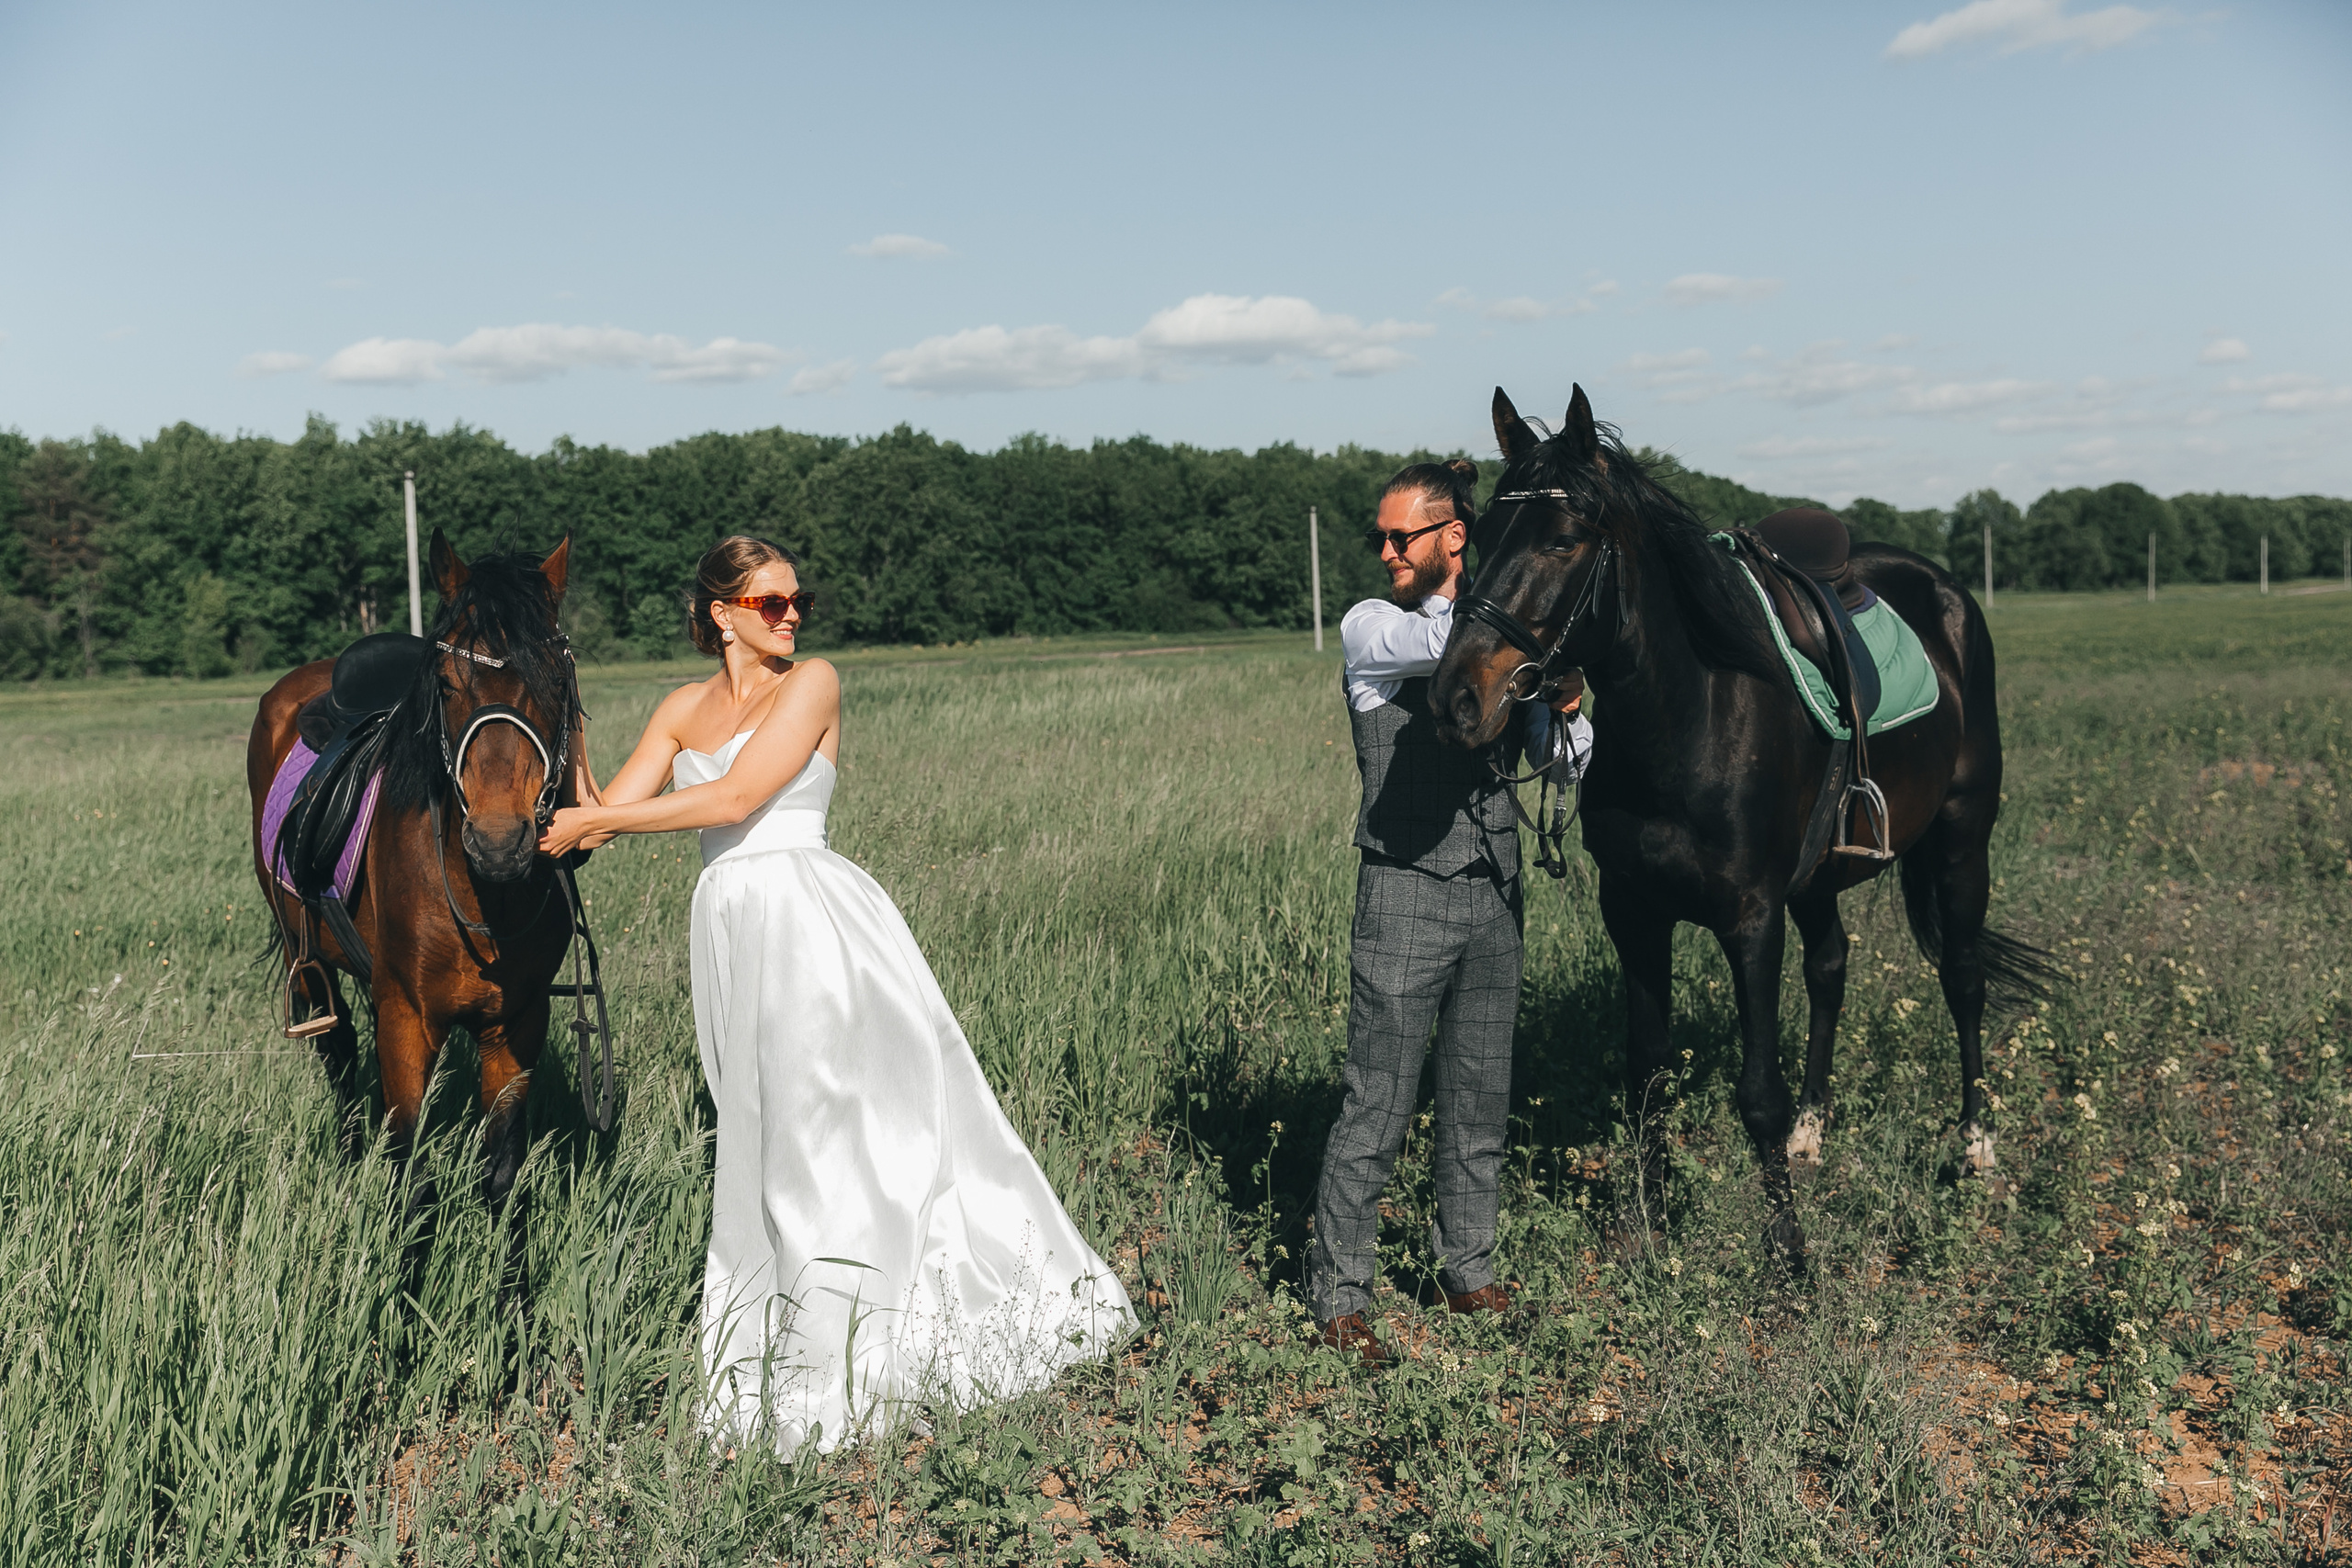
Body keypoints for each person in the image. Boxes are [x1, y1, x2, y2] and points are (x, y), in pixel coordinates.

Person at [537, 536, 1133, 1452]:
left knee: (820, 1134)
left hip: (813, 924)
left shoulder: (811, 681)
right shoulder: (678, 708)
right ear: (719, 614)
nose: (790, 614)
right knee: (766, 1132)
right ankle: (787, 1330)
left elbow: (736, 799)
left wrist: (605, 814)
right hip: (730, 927)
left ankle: (842, 1359)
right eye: (769, 602)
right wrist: (571, 739)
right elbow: (591, 826)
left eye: (793, 598)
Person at [1306, 460, 1590, 1365]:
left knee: (1479, 1095)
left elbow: (1565, 762)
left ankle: (1467, 1269)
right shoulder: (1370, 627)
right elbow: (1442, 651)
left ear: (1453, 538)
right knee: (1374, 1101)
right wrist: (1530, 635)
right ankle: (1340, 1295)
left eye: (1403, 537)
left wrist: (1569, 706)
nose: (1386, 551)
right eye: (1379, 537)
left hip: (1494, 888)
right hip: (1401, 892)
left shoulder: (1505, 642)